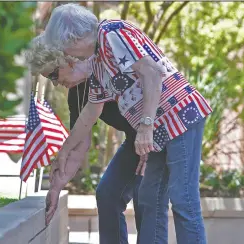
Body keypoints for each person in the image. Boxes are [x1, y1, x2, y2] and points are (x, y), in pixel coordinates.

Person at [41, 3, 213, 244]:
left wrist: (145, 126)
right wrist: (64, 151)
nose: (64, 52)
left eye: (62, 45)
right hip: (159, 129)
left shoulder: (111, 34)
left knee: (183, 199)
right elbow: (91, 111)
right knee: (149, 198)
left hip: (179, 117)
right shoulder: (97, 60)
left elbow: (152, 73)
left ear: (72, 36)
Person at [25, 33, 150, 244]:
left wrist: (152, 136)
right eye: (49, 79)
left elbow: (152, 84)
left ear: (67, 57)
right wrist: (56, 187)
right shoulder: (78, 92)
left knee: (144, 196)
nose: (56, 84)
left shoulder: (107, 64)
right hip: (134, 140)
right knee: (108, 195)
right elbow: (79, 144)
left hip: (159, 130)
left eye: (54, 75)